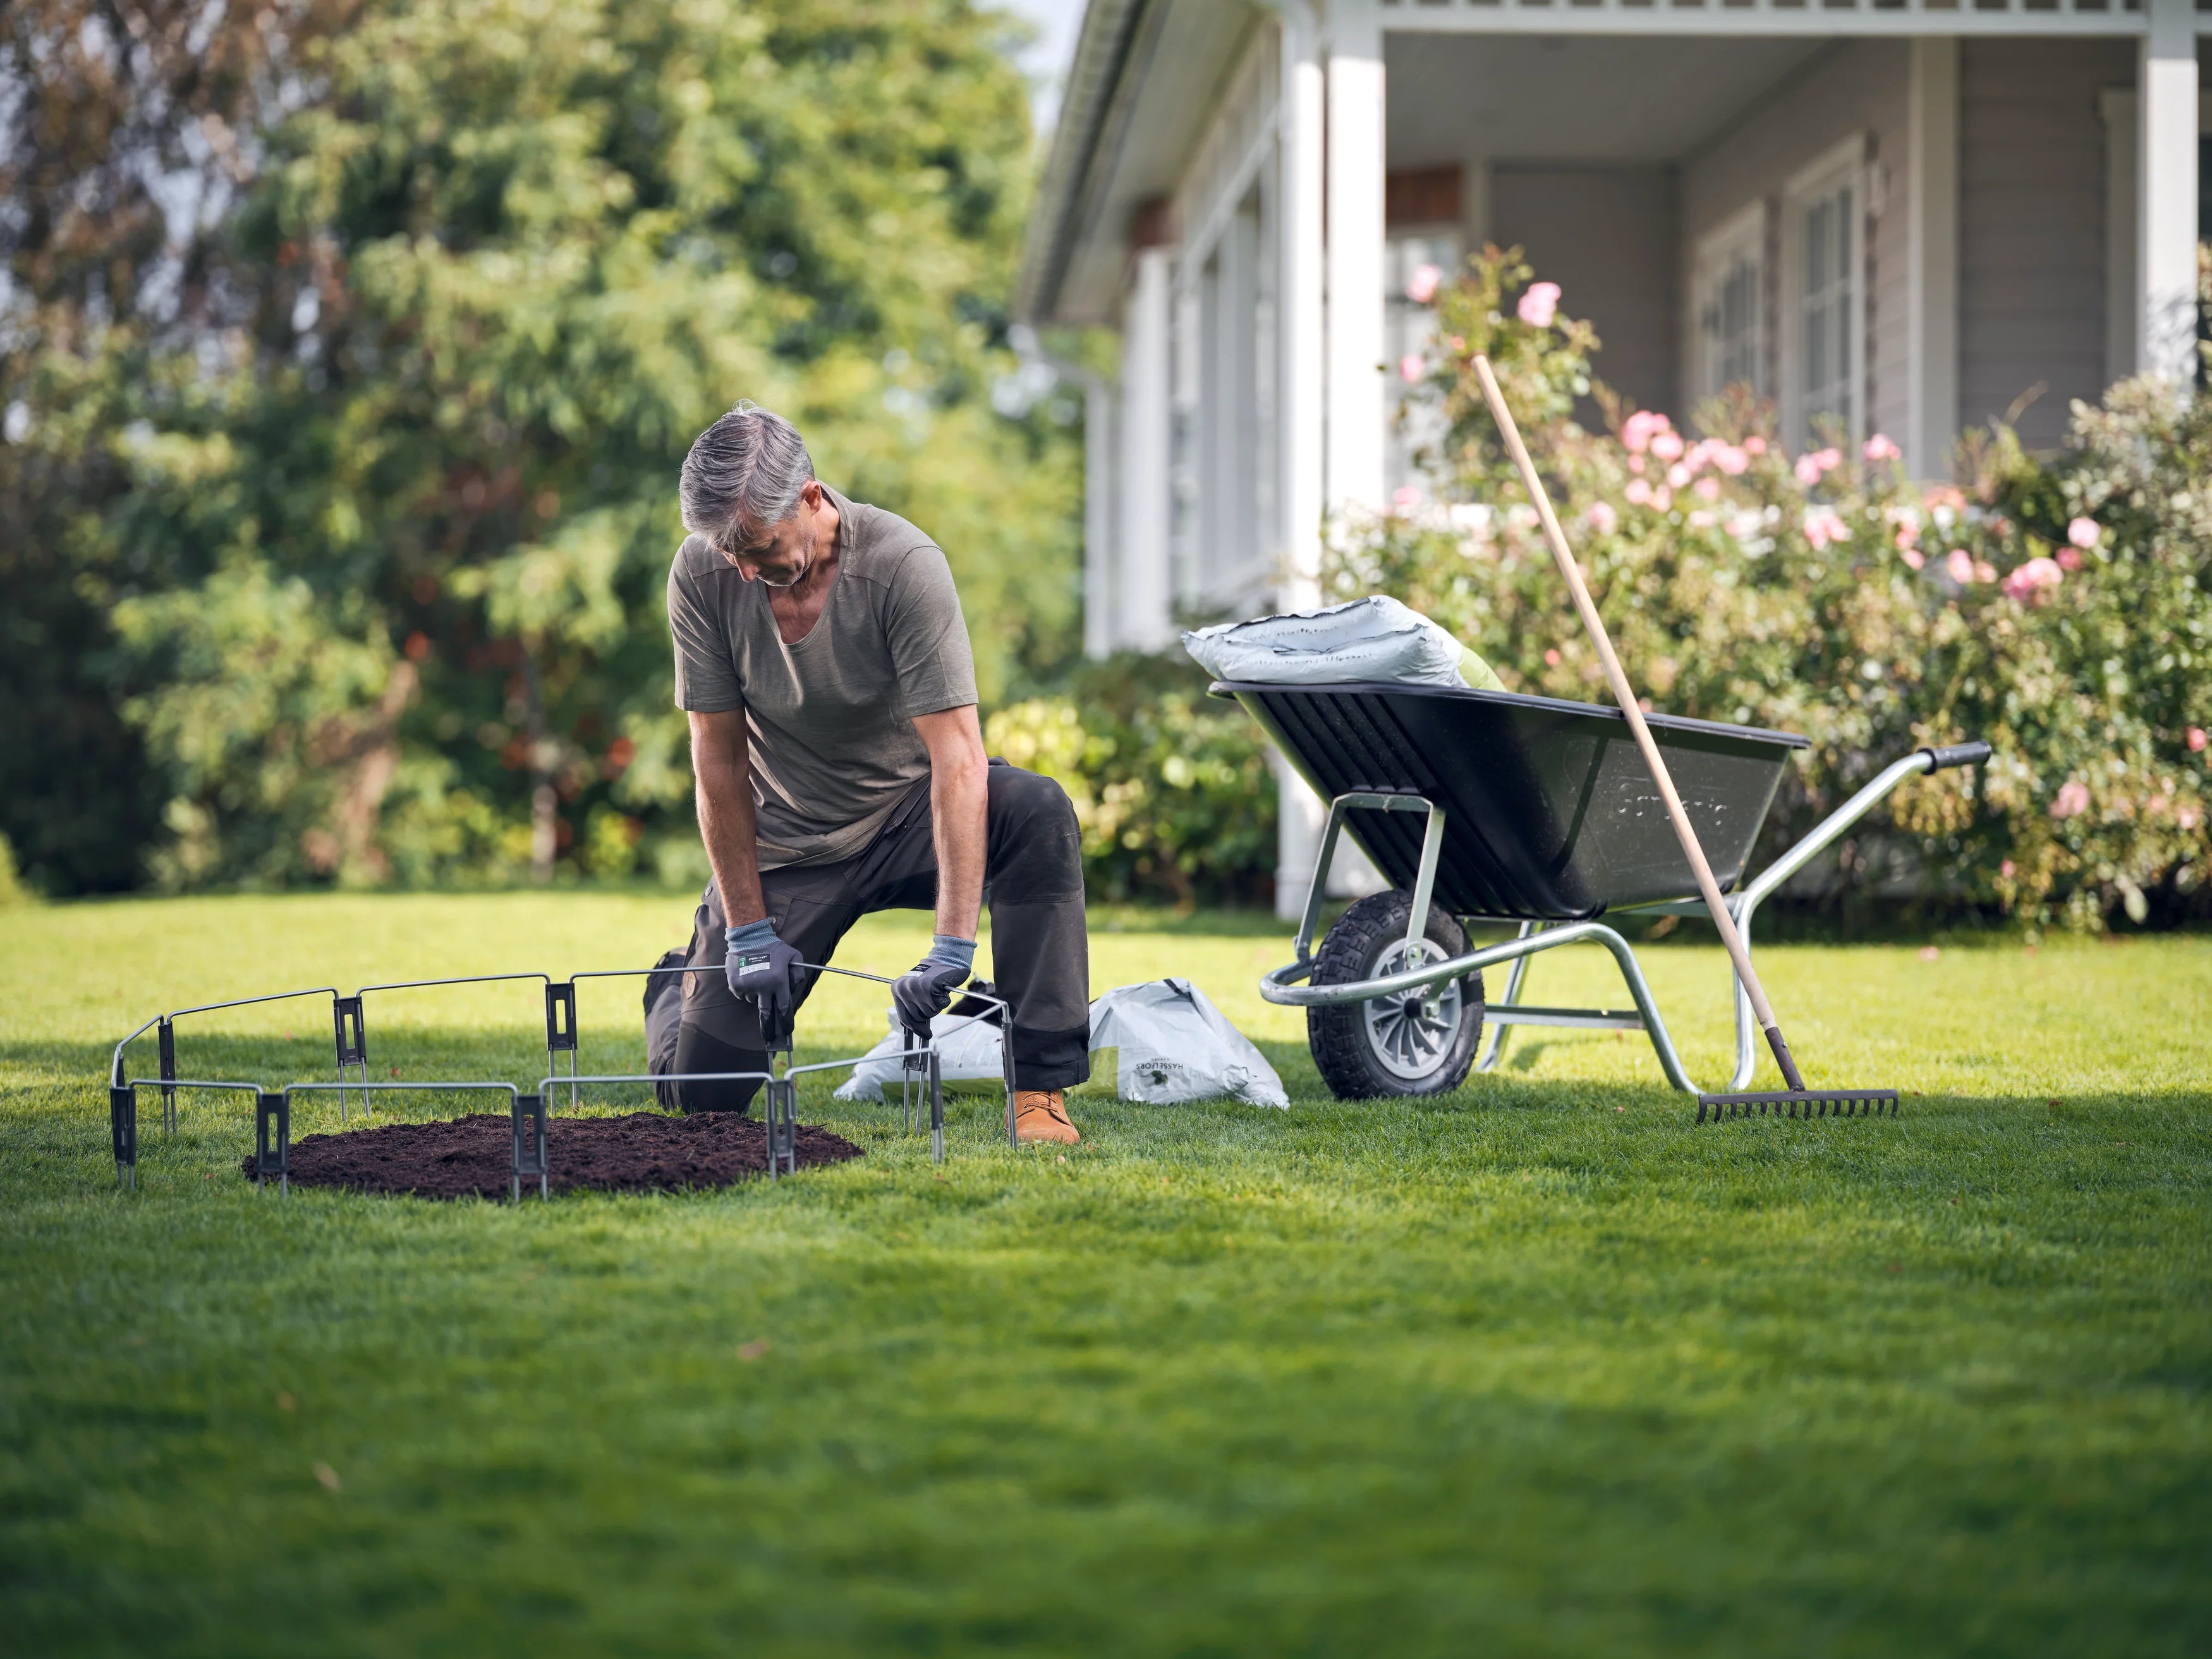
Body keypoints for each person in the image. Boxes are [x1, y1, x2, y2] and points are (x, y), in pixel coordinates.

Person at [643, 402, 1088, 1144]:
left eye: (757, 547)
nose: (743, 571)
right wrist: (748, 933)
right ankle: (678, 982)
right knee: (702, 1102)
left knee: (1034, 811)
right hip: (789, 841)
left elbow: (957, 760)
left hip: (909, 817)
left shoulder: (902, 567)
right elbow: (717, 759)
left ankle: (1039, 1090)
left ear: (811, 499)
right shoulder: (702, 574)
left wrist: (951, 950)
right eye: (729, 553)